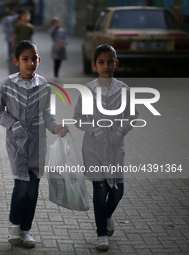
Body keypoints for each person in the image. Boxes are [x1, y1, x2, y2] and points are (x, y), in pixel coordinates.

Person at [0, 40, 68, 248]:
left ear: (39, 60)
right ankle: (14, 227)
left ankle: (26, 230)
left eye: (34, 59)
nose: (30, 63)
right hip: (17, 145)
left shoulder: (43, 85)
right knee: (21, 185)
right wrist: (12, 124)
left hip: (37, 145)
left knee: (33, 188)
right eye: (25, 59)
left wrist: (56, 128)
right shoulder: (8, 84)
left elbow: (48, 115)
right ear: (16, 61)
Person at [73, 44, 138, 251]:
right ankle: (102, 234)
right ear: (94, 65)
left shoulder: (124, 89)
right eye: (101, 62)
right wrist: (94, 129)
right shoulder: (88, 90)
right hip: (94, 148)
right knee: (100, 190)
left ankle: (107, 215)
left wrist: (121, 130)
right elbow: (78, 118)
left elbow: (132, 114)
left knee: (118, 191)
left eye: (110, 61)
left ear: (116, 64)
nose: (106, 66)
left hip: (115, 148)